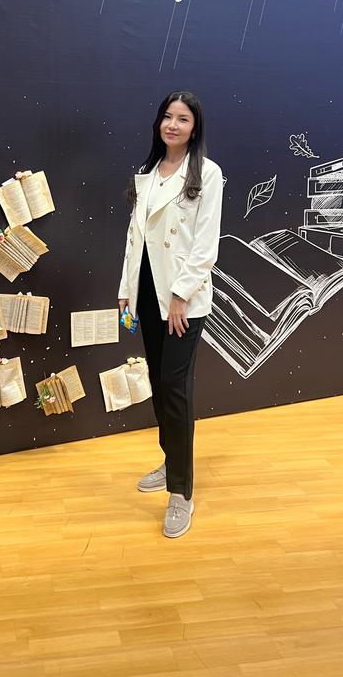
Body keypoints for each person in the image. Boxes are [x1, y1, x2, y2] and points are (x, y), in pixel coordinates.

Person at [118, 90, 223, 538]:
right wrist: (125, 290)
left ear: (194, 128)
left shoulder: (207, 174)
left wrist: (180, 296)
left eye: (183, 119)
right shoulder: (147, 173)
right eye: (167, 116)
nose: (173, 125)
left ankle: (181, 492)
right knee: (160, 385)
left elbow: (205, 246)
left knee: (176, 389)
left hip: (182, 300)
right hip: (147, 293)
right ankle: (170, 459)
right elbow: (134, 238)